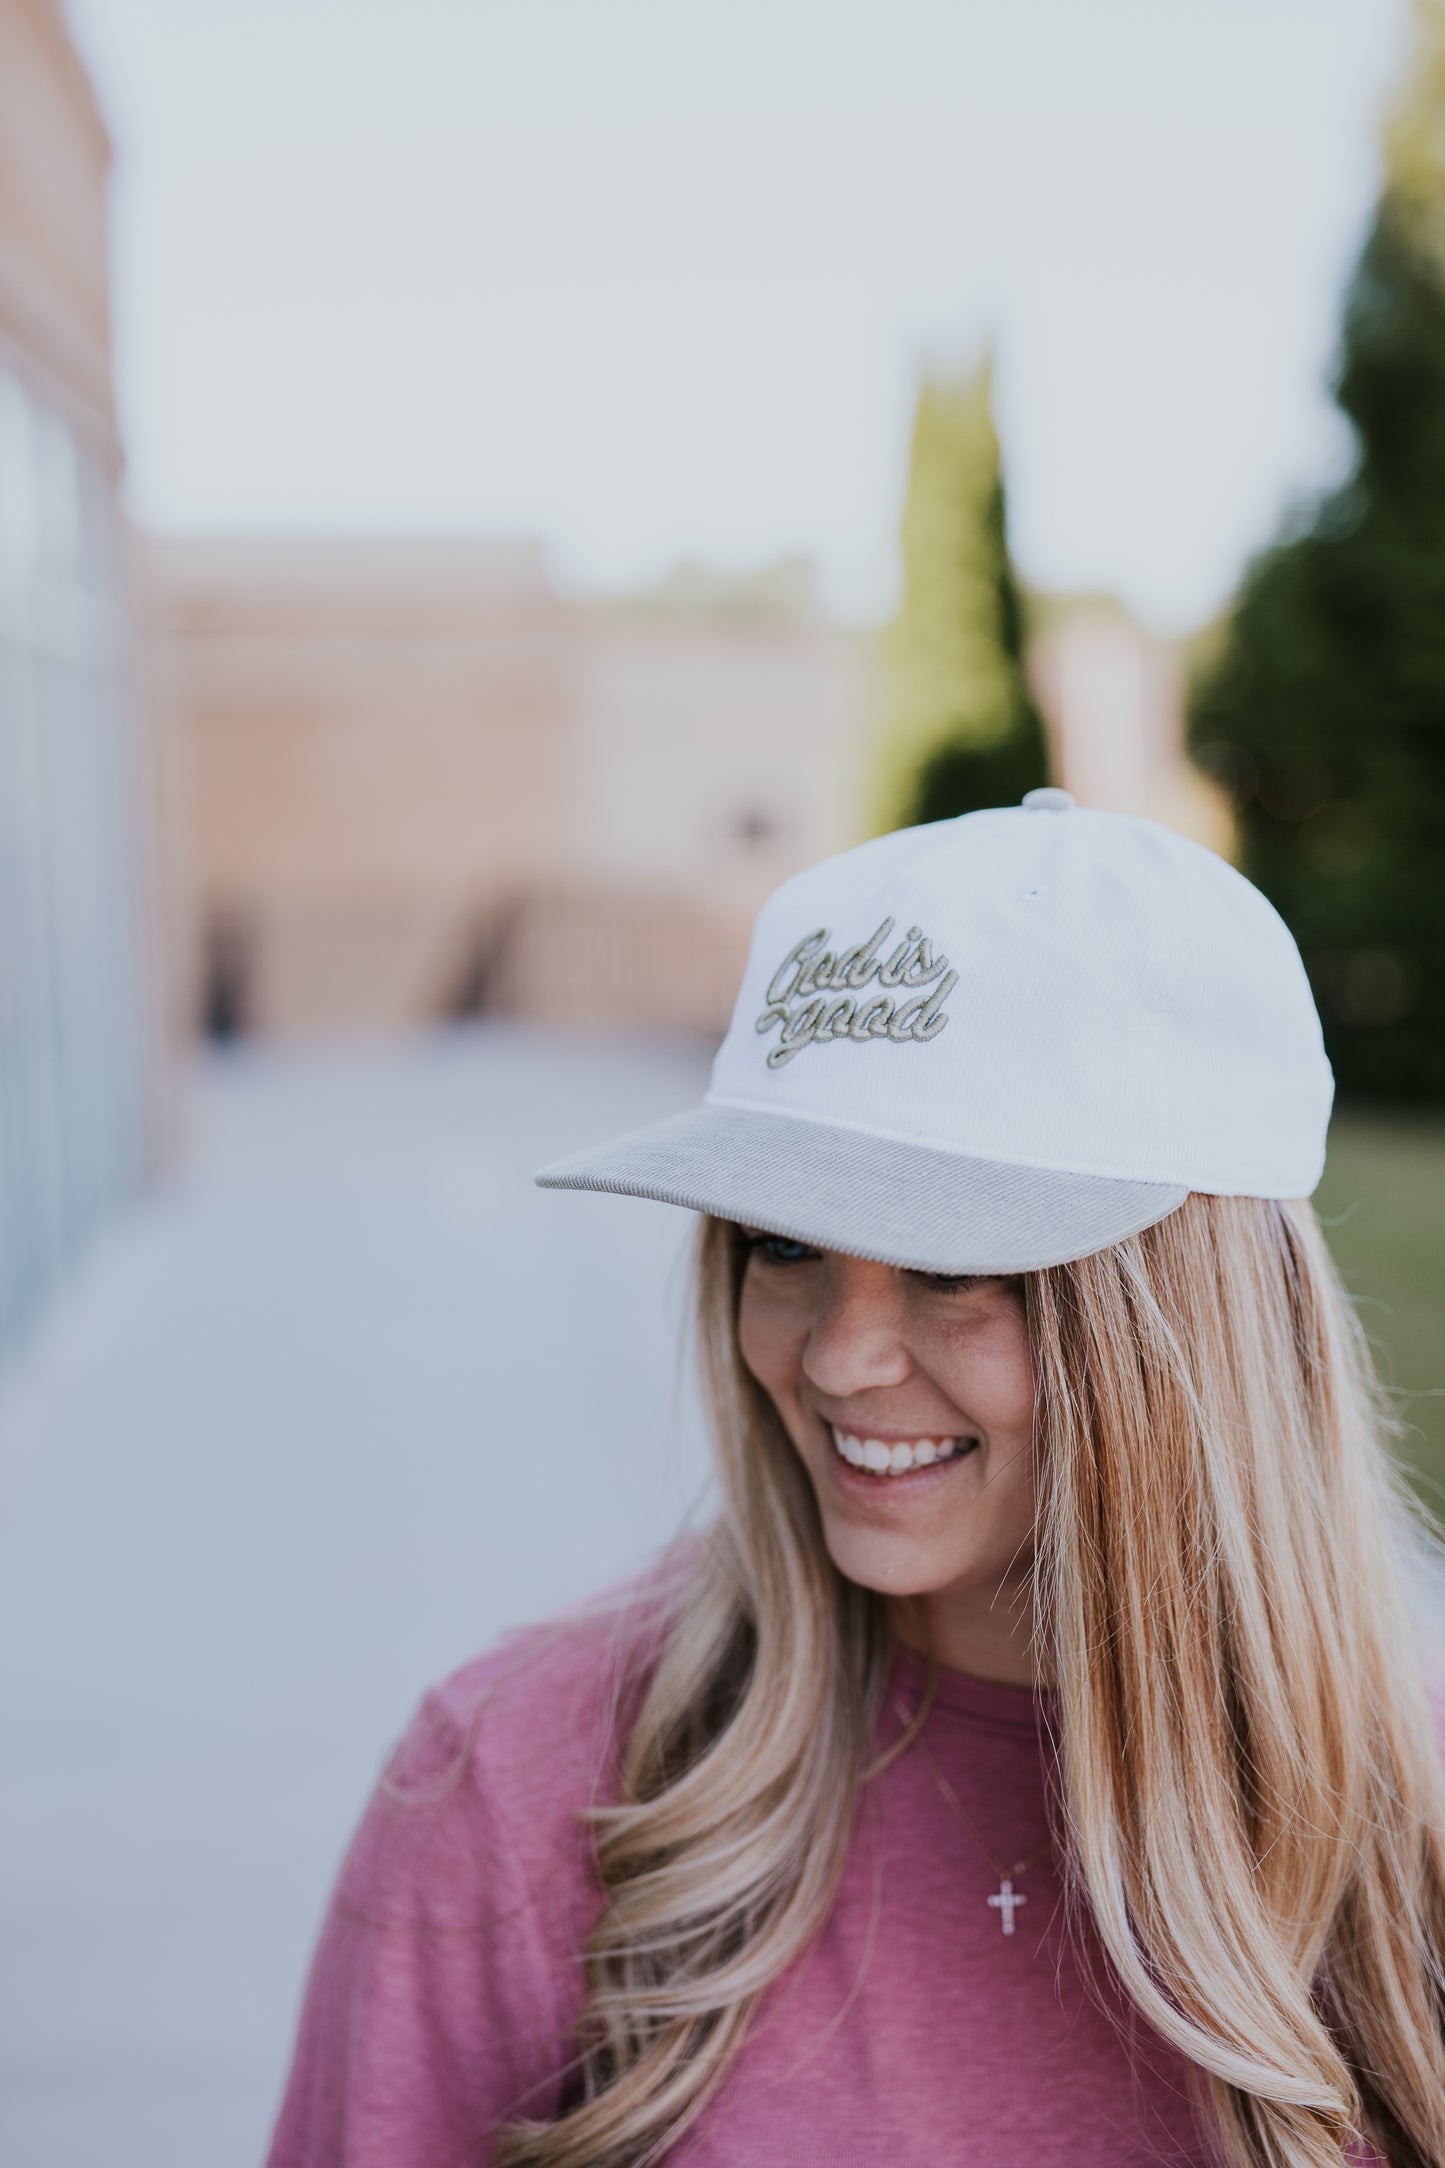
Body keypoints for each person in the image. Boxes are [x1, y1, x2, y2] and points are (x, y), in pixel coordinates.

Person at [266, 791, 1445, 2168]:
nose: (835, 1357)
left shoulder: (1413, 1814)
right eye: (783, 1243)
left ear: (1185, 1319)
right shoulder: (517, 1790)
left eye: (950, 1267)